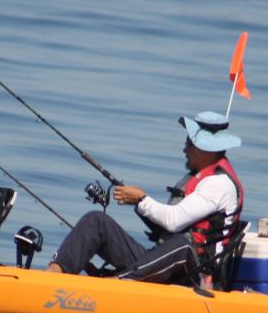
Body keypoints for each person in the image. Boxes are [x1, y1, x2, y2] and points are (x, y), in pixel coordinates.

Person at [47, 111, 243, 284]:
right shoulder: (197, 177)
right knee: (96, 221)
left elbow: (174, 222)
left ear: (203, 149)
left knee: (183, 246)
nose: (184, 149)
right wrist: (139, 205)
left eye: (188, 143)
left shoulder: (219, 184)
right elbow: (167, 228)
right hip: (165, 263)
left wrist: (141, 199)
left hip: (195, 276)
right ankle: (53, 274)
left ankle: (116, 283)